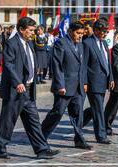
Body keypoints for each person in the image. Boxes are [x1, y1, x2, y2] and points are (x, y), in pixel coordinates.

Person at [0, 17, 60, 159]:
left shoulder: (29, 43)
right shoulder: (11, 44)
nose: (33, 33)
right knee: (8, 120)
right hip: (16, 89)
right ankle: (1, 148)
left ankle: (41, 149)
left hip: (29, 90)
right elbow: (9, 64)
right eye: (30, 30)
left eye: (34, 30)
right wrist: (17, 82)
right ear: (21, 30)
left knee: (34, 121)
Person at [41, 21, 92, 150]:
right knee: (57, 113)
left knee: (78, 114)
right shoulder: (61, 43)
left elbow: (83, 66)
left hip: (78, 87)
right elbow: (57, 66)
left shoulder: (80, 45)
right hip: (64, 87)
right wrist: (60, 85)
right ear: (70, 32)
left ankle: (79, 139)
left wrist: (84, 82)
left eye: (82, 33)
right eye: (78, 33)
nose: (80, 36)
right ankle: (41, 137)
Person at [83, 19, 114, 144]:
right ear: (96, 30)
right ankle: (101, 135)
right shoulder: (87, 43)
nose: (105, 34)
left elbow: (107, 62)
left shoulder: (104, 43)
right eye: (103, 32)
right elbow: (84, 65)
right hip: (93, 81)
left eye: (106, 32)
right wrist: (85, 82)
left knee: (96, 108)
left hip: (104, 80)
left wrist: (110, 77)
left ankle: (79, 122)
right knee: (98, 109)